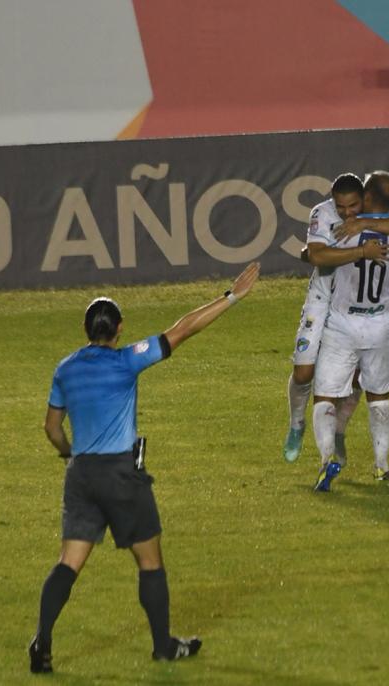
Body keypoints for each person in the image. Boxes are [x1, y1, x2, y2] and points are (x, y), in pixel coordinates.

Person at [29, 262, 261, 674]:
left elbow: (51, 427)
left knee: (69, 562)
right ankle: (162, 647)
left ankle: (42, 644)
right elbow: (184, 328)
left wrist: (69, 454)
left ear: (86, 330)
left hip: (81, 476)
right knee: (150, 563)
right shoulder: (126, 362)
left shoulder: (65, 369)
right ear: (119, 330)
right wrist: (233, 296)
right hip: (121, 476)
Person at [282, 173, 389, 464]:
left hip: (351, 307)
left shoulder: (370, 214)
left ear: (364, 200)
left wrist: (363, 223)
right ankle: (296, 425)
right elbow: (315, 255)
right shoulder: (323, 212)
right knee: (304, 373)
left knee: (354, 379)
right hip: (322, 298)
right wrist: (361, 252)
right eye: (342, 206)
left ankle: (339, 430)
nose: (347, 213)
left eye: (353, 206)